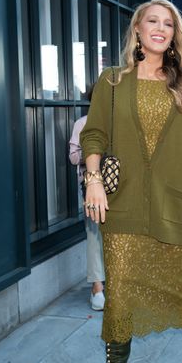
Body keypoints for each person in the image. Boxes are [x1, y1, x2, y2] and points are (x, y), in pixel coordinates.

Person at [80, 0, 182, 363]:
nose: (160, 29)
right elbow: (94, 133)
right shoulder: (112, 82)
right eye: (152, 21)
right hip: (123, 210)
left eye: (169, 24)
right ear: (136, 30)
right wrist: (93, 179)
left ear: (175, 35)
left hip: (174, 207)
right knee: (118, 302)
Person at [69, 88, 105, 311]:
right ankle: (97, 288)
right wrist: (93, 153)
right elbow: (73, 158)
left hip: (119, 186)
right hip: (91, 185)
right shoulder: (82, 123)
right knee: (94, 235)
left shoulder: (119, 122)